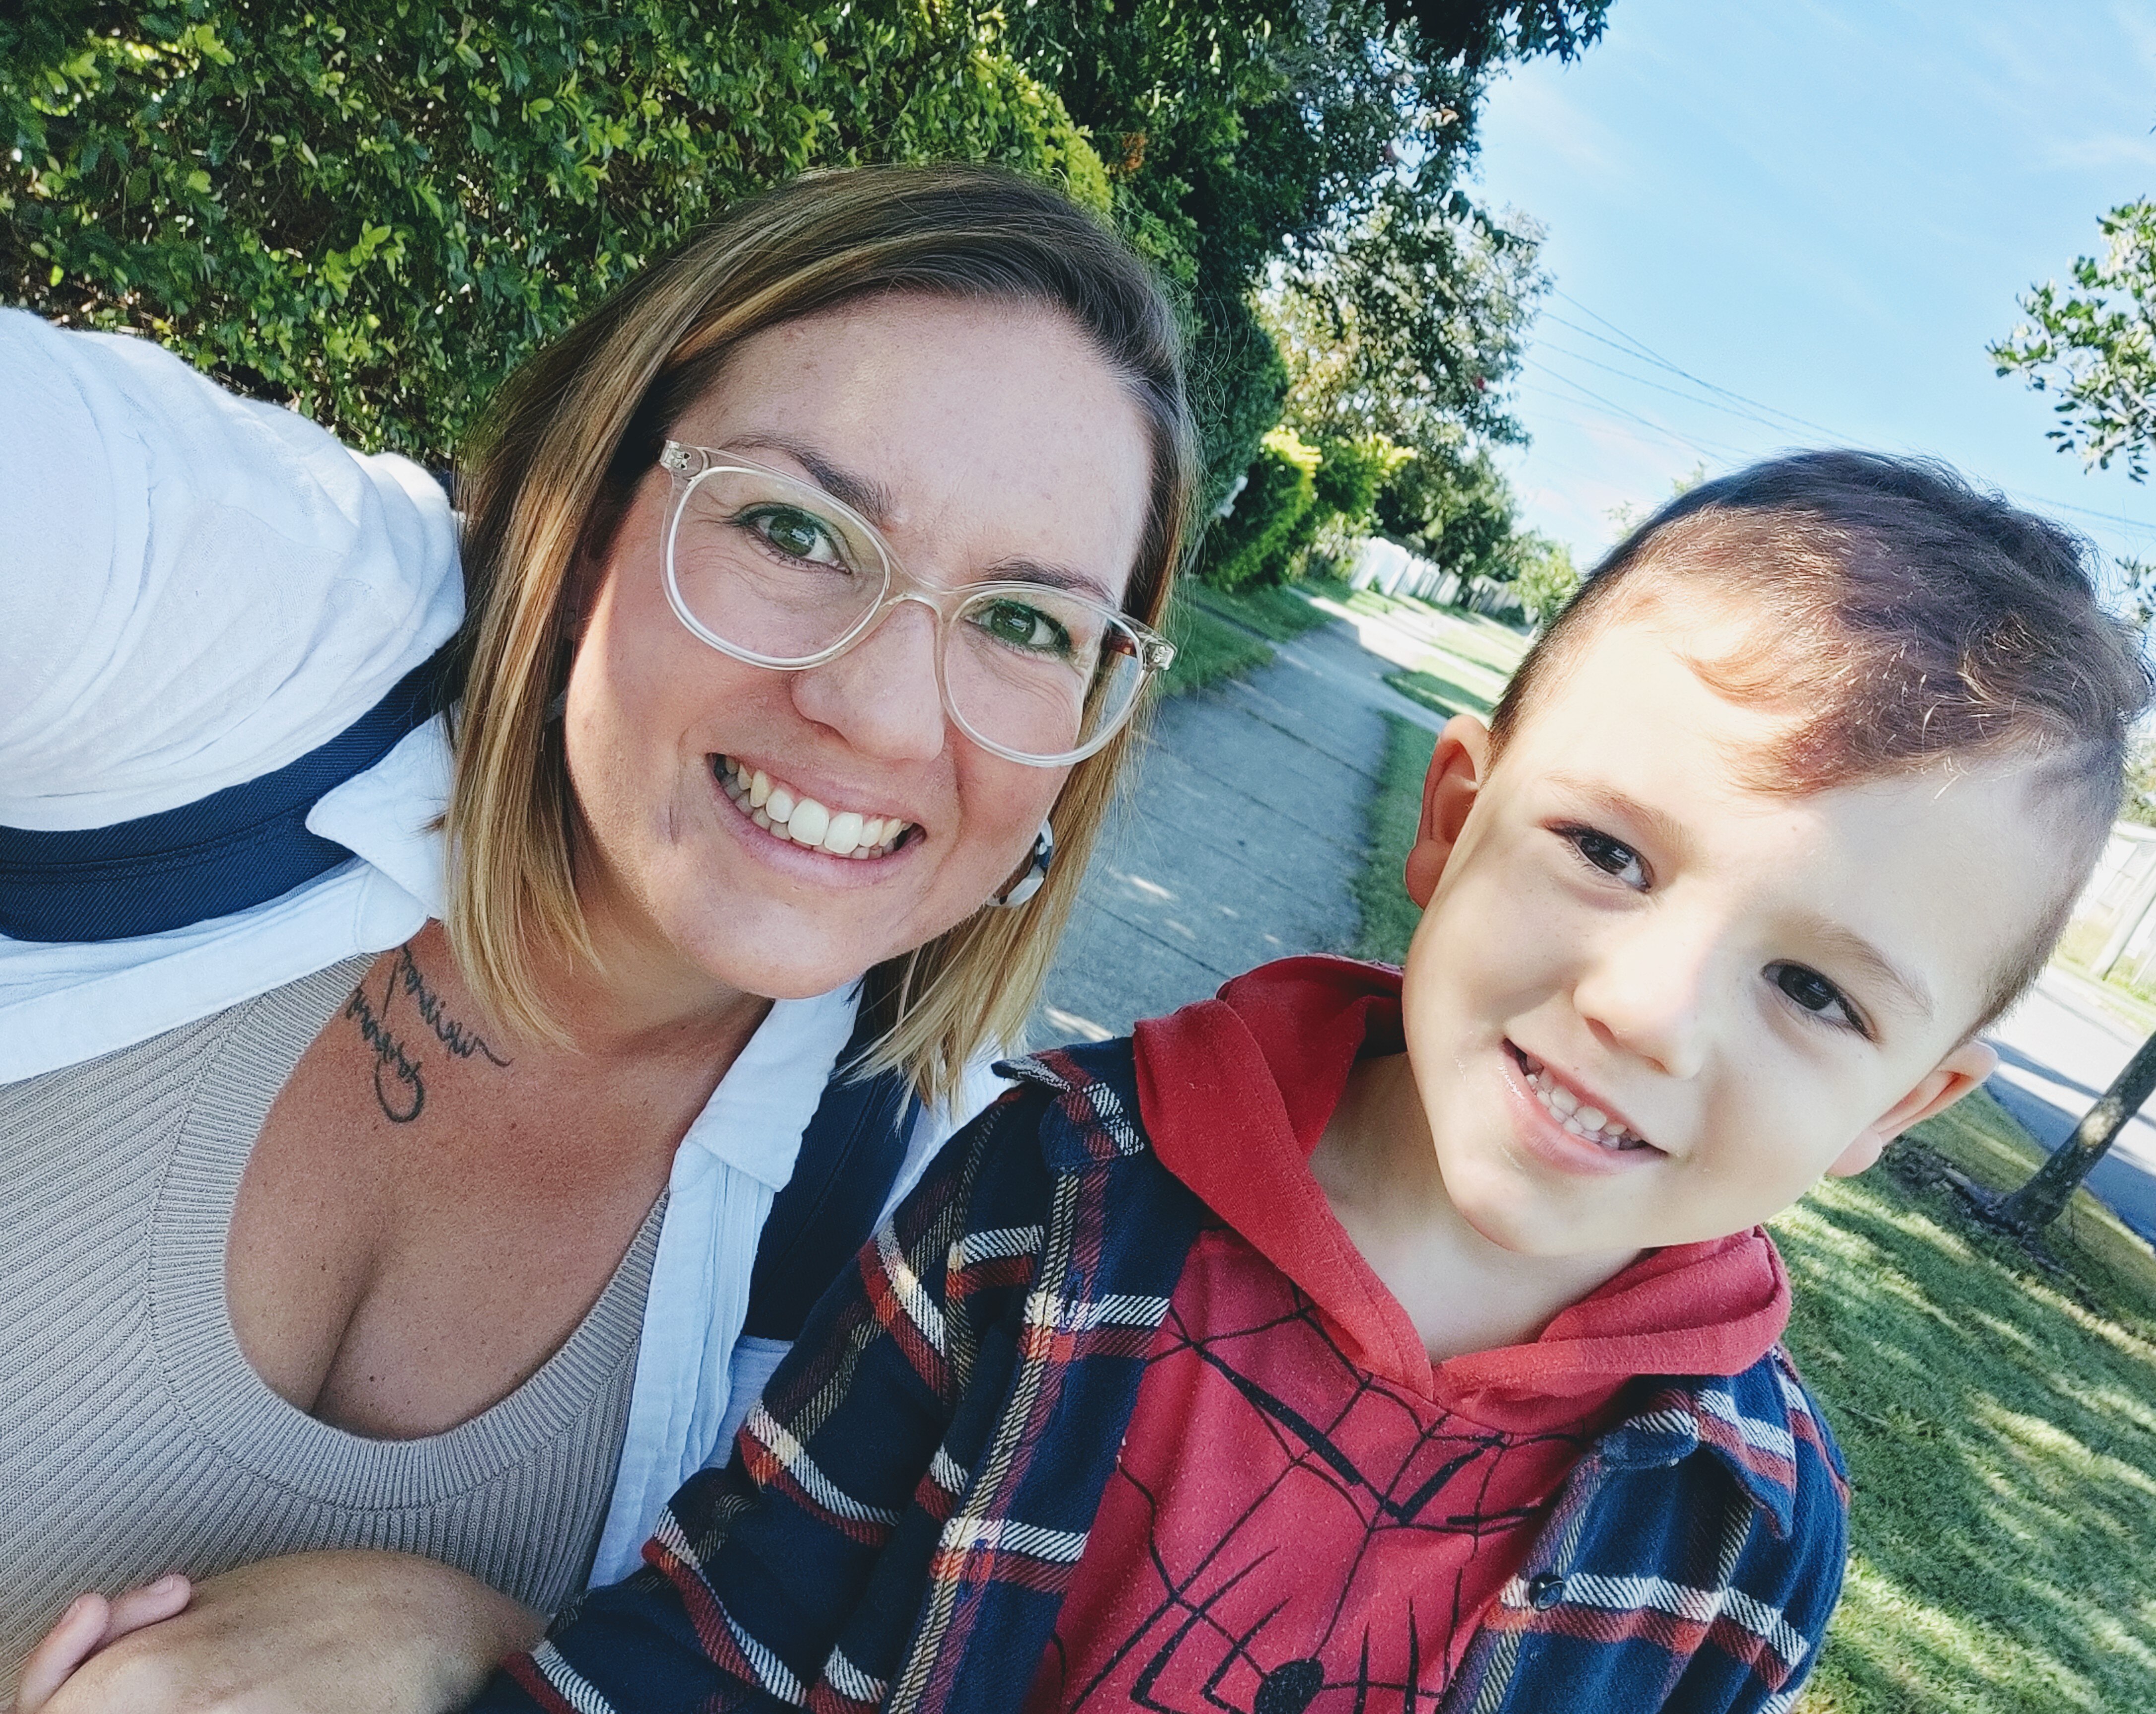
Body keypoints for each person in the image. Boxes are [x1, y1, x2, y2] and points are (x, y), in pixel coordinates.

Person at [459, 451, 2148, 1714]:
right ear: (1451, 818)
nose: (1648, 1012)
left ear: (1897, 1111)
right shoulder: (1048, 1196)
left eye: (1809, 989)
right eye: (1609, 853)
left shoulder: (1746, 1537)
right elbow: (713, 1635)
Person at [0, 163, 1196, 1711]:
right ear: (582, 528)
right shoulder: (254, 634)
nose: (886, 713)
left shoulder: (923, 1239)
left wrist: (476, 1641)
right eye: (796, 527)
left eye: (1027, 624)